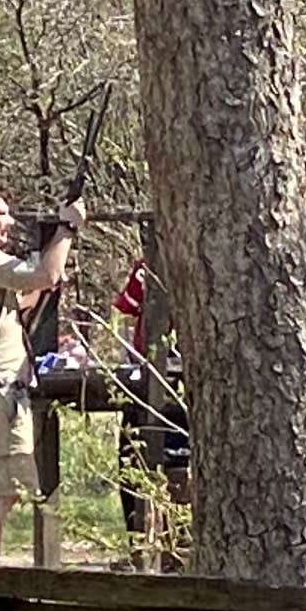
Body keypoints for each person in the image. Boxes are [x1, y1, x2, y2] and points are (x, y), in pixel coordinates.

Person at [0, 178, 85, 565]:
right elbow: (44, 275)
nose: (9, 221)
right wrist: (68, 228)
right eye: (1, 214)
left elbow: (27, 296)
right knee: (5, 488)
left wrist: (48, 277)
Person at [113, 231, 192, 565]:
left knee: (177, 467)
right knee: (133, 460)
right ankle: (139, 550)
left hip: (182, 383)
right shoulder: (147, 267)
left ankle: (179, 552)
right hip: (147, 376)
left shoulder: (204, 266)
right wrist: (128, 356)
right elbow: (124, 311)